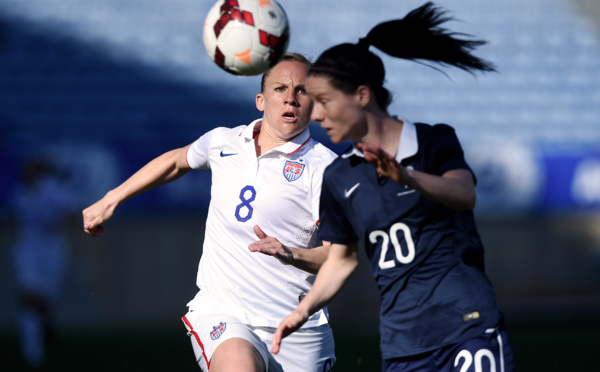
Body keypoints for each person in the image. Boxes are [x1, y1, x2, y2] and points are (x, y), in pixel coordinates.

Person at [267, 3, 515, 371]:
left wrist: (408, 177)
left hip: (467, 328)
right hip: (403, 347)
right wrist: (302, 310)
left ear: (362, 96)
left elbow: (465, 195)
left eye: (324, 101)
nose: (315, 115)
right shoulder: (340, 177)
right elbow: (342, 259)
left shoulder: (433, 141)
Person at [82, 53, 337, 372]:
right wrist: (111, 198)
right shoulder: (224, 141)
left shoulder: (325, 169)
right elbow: (176, 161)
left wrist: (291, 253)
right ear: (260, 100)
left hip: (297, 330)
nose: (290, 98)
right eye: (280, 88)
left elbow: (338, 256)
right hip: (225, 313)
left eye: (302, 90)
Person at [11, 158, 78, 371]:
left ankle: (46, 321)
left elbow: (73, 211)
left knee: (43, 300)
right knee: (28, 297)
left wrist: (57, 220)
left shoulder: (52, 188)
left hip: (51, 248)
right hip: (28, 247)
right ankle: (33, 357)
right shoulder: (19, 192)